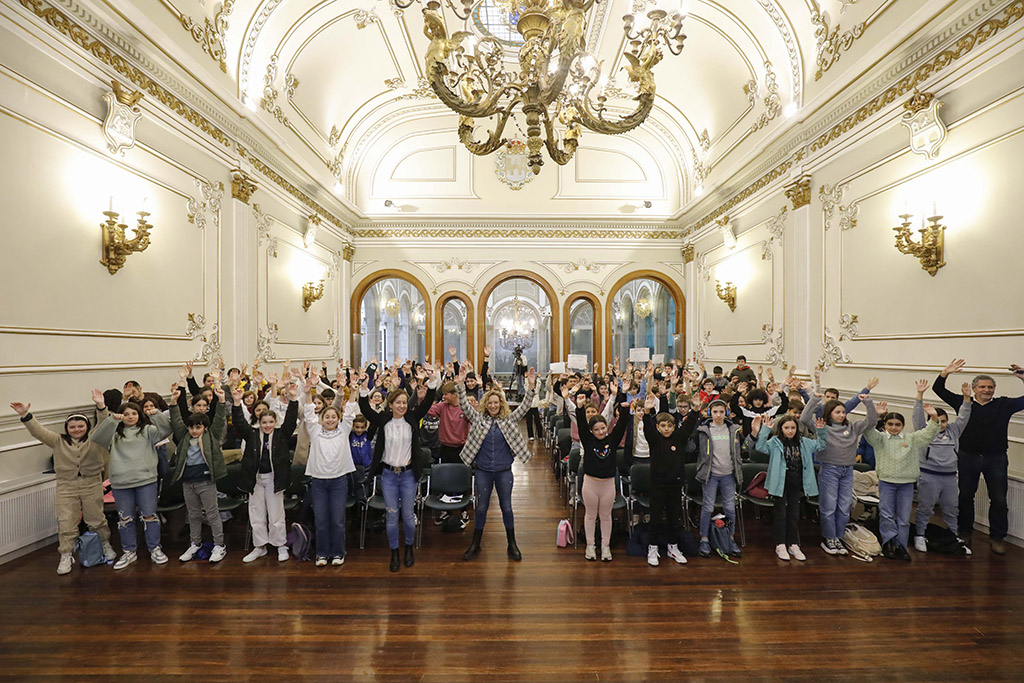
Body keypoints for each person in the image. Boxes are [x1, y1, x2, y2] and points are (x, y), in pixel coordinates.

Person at [10, 401, 117, 574]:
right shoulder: (58, 441)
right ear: (67, 428)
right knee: (66, 521)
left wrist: (101, 406)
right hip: (66, 486)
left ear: (87, 426)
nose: (76, 429)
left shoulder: (95, 438)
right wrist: (25, 415)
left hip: (91, 483)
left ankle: (105, 544)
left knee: (96, 519)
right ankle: (66, 554)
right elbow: (38, 431)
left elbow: (104, 424)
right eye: (72, 426)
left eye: (80, 426)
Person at [932, 359, 1024, 554]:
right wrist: (945, 372)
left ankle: (997, 538)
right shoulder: (963, 402)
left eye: (990, 387)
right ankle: (965, 532)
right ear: (974, 389)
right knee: (966, 496)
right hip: (968, 457)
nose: (987, 390)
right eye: (982, 386)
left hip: (996, 458)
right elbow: (938, 389)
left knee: (999, 499)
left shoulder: (1003, 404)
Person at [359, 363, 438, 572]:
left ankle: (409, 548)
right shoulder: (383, 419)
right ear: (391, 404)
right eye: (398, 403)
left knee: (408, 516)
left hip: (408, 475)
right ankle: (394, 552)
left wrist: (432, 379)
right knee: (392, 516)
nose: (402, 406)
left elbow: (428, 400)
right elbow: (365, 409)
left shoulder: (412, 418)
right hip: (388, 475)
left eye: (404, 402)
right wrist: (364, 388)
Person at [456, 363, 537, 561]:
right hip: (483, 471)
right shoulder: (478, 419)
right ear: (486, 404)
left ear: (501, 404)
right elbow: (464, 405)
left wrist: (531, 386)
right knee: (481, 507)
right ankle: (476, 543)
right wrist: (459, 383)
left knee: (507, 507)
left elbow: (525, 406)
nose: (493, 406)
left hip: (503, 471)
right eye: (490, 403)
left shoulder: (508, 419)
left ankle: (512, 543)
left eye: (496, 403)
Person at [89, 388, 173, 570]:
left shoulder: (148, 430)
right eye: (126, 414)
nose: (130, 416)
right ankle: (129, 551)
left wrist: (156, 414)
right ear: (121, 415)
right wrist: (110, 418)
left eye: (134, 413)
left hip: (146, 480)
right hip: (121, 482)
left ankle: (155, 549)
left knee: (150, 516)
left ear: (139, 414)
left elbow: (166, 430)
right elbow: (96, 437)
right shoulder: (114, 434)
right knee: (125, 519)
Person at [862, 393, 942, 560]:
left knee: (904, 517)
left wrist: (934, 416)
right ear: (884, 425)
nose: (894, 427)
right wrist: (875, 415)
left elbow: (928, 433)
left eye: (897, 424)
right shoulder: (880, 439)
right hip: (886, 483)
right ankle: (889, 544)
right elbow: (868, 431)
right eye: (890, 424)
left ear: (903, 426)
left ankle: (901, 546)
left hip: (906, 484)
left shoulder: (911, 439)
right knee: (887, 515)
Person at [801, 390, 877, 556]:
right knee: (829, 506)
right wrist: (814, 399)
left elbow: (872, 421)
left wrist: (868, 403)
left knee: (844, 506)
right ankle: (829, 538)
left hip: (847, 470)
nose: (841, 415)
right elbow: (804, 418)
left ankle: (839, 536)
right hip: (829, 470)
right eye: (837, 412)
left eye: (843, 412)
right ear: (829, 413)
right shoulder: (822, 427)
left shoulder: (853, 427)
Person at [232, 384, 299, 563]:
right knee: (256, 514)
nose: (267, 425)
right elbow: (239, 421)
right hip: (255, 480)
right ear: (259, 423)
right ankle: (260, 546)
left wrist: (293, 399)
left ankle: (280, 545)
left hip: (274, 480)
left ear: (275, 422)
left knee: (276, 514)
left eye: (270, 422)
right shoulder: (252, 434)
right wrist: (237, 403)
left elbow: (291, 420)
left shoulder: (281, 434)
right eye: (264, 422)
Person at [566, 382, 631, 561]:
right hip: (591, 484)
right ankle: (590, 546)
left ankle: (605, 547)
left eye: (603, 428)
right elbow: (580, 422)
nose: (601, 431)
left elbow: (622, 423)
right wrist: (579, 408)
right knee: (590, 515)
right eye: (597, 429)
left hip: (608, 485)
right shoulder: (587, 440)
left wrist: (622, 398)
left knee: (606, 516)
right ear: (592, 431)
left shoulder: (612, 439)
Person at [752, 414, 827, 561]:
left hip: (796, 483)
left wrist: (821, 431)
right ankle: (780, 544)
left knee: (794, 514)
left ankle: (793, 544)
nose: (790, 431)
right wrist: (765, 430)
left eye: (793, 428)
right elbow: (760, 447)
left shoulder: (804, 442)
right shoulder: (775, 442)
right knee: (780, 515)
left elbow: (821, 445)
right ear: (781, 429)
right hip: (780, 484)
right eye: (786, 428)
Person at [168, 383, 229, 563]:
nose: (194, 431)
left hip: (206, 481)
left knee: (212, 514)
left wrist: (222, 400)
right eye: (192, 427)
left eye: (198, 427)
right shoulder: (185, 435)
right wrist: (173, 402)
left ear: (205, 428)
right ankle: (195, 543)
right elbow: (177, 419)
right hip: (188, 481)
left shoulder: (211, 435)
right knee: (193, 514)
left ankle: (219, 545)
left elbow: (219, 418)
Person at [303, 374, 358, 567]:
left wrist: (353, 391)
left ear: (338, 419)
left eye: (334, 417)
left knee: (337, 521)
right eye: (327, 417)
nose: (330, 419)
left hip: (338, 482)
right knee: (321, 520)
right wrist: (309, 390)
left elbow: (350, 412)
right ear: (321, 418)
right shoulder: (315, 431)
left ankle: (338, 552)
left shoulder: (344, 430)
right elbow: (309, 412)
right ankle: (322, 554)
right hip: (318, 482)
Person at [912, 379, 972, 554]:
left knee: (952, 509)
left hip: (950, 477)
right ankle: (920, 534)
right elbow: (917, 416)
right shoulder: (924, 431)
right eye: (937, 421)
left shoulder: (954, 431)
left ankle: (953, 537)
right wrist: (919, 395)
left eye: (944, 421)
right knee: (925, 507)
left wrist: (967, 398)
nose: (941, 425)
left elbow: (963, 416)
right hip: (928, 476)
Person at [641, 393, 701, 566]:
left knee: (675, 517)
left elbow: (689, 424)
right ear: (658, 427)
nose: (667, 429)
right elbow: (647, 428)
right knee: (656, 517)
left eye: (670, 426)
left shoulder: (679, 438)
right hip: (658, 484)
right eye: (663, 426)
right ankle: (652, 547)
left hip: (675, 484)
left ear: (674, 427)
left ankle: (673, 547)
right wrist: (646, 412)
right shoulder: (654, 439)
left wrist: (695, 409)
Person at [695, 399, 744, 558]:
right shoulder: (704, 430)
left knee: (730, 507)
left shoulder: (733, 429)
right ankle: (704, 538)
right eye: (715, 412)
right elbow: (691, 446)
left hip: (729, 474)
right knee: (708, 507)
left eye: (721, 412)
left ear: (726, 413)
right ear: (710, 413)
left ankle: (729, 538)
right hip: (711, 475)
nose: (718, 415)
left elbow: (745, 447)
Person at [426, 382, 471, 464]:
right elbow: (426, 409)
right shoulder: (442, 406)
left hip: (462, 449)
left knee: (461, 473)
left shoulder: (465, 408)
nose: (443, 397)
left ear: (454, 395)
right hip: (445, 449)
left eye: (446, 394)